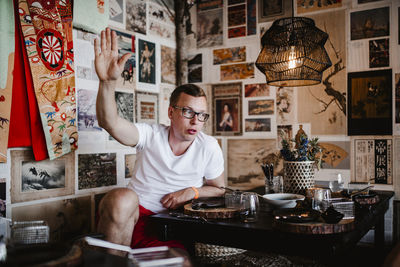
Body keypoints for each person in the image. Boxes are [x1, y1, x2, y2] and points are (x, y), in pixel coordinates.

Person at [93, 28, 225, 261]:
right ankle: (111, 261)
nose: (196, 121)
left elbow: (219, 188)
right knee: (121, 197)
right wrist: (107, 83)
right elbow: (110, 122)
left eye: (202, 115)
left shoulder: (209, 146)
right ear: (171, 112)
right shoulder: (151, 134)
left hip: (171, 224)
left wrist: (191, 191)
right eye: (188, 112)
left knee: (181, 263)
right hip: (132, 219)